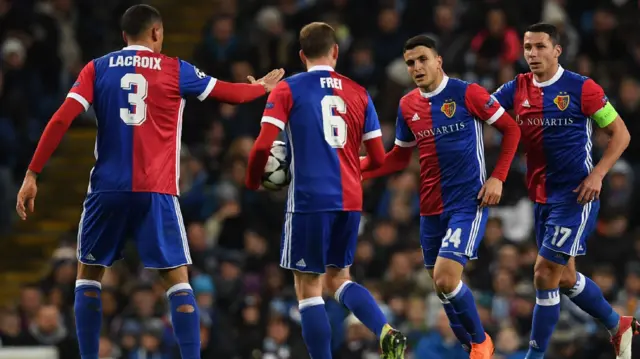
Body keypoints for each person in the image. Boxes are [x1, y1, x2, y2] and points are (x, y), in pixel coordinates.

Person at [15, 5, 283, 359]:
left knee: (88, 276)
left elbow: (61, 119)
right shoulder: (175, 69)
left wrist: (33, 173)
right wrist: (262, 87)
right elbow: (231, 94)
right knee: (177, 281)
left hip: (107, 190)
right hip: (155, 190)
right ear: (156, 32)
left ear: (124, 35)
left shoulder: (96, 68)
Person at [245, 22, 407, 359]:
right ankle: (384, 329)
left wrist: (251, 179)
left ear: (302, 55)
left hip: (309, 199)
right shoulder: (359, 92)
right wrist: (345, 168)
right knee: (338, 278)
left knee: (308, 288)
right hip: (349, 199)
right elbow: (378, 158)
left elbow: (262, 147)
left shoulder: (288, 89)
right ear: (335, 52)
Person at [360, 34, 521, 359]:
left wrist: (497, 177)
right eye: (410, 63)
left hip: (467, 202)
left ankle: (481, 343)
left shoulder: (466, 93)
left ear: (438, 60)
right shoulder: (408, 104)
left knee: (446, 279)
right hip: (430, 207)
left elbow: (512, 129)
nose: (416, 67)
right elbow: (399, 157)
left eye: (422, 59)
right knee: (440, 288)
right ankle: (469, 347)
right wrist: (354, 168)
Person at [491, 23, 634, 359]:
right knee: (565, 276)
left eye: (540, 46)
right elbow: (482, 108)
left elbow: (621, 134)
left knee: (543, 273)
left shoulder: (582, 88)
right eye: (527, 47)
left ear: (557, 50)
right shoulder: (517, 87)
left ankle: (534, 356)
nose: (532, 54)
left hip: (576, 195)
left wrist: (598, 174)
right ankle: (617, 324)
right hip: (541, 195)